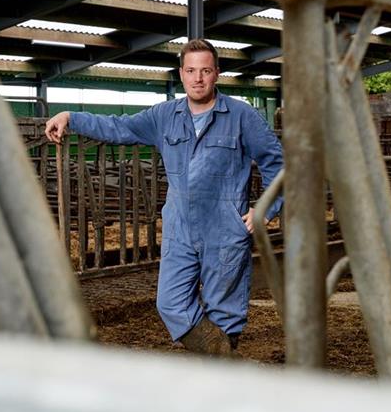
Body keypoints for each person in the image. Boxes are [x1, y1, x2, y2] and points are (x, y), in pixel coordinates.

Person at [45, 39, 283, 355]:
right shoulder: (164, 116)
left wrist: (264, 211)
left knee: (224, 315)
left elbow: (278, 164)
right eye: (191, 70)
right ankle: (222, 359)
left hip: (225, 231)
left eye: (206, 71)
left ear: (217, 74)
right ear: (181, 74)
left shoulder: (242, 116)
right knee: (170, 303)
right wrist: (71, 117)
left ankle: (219, 378)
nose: (198, 78)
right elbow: (118, 127)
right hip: (180, 229)